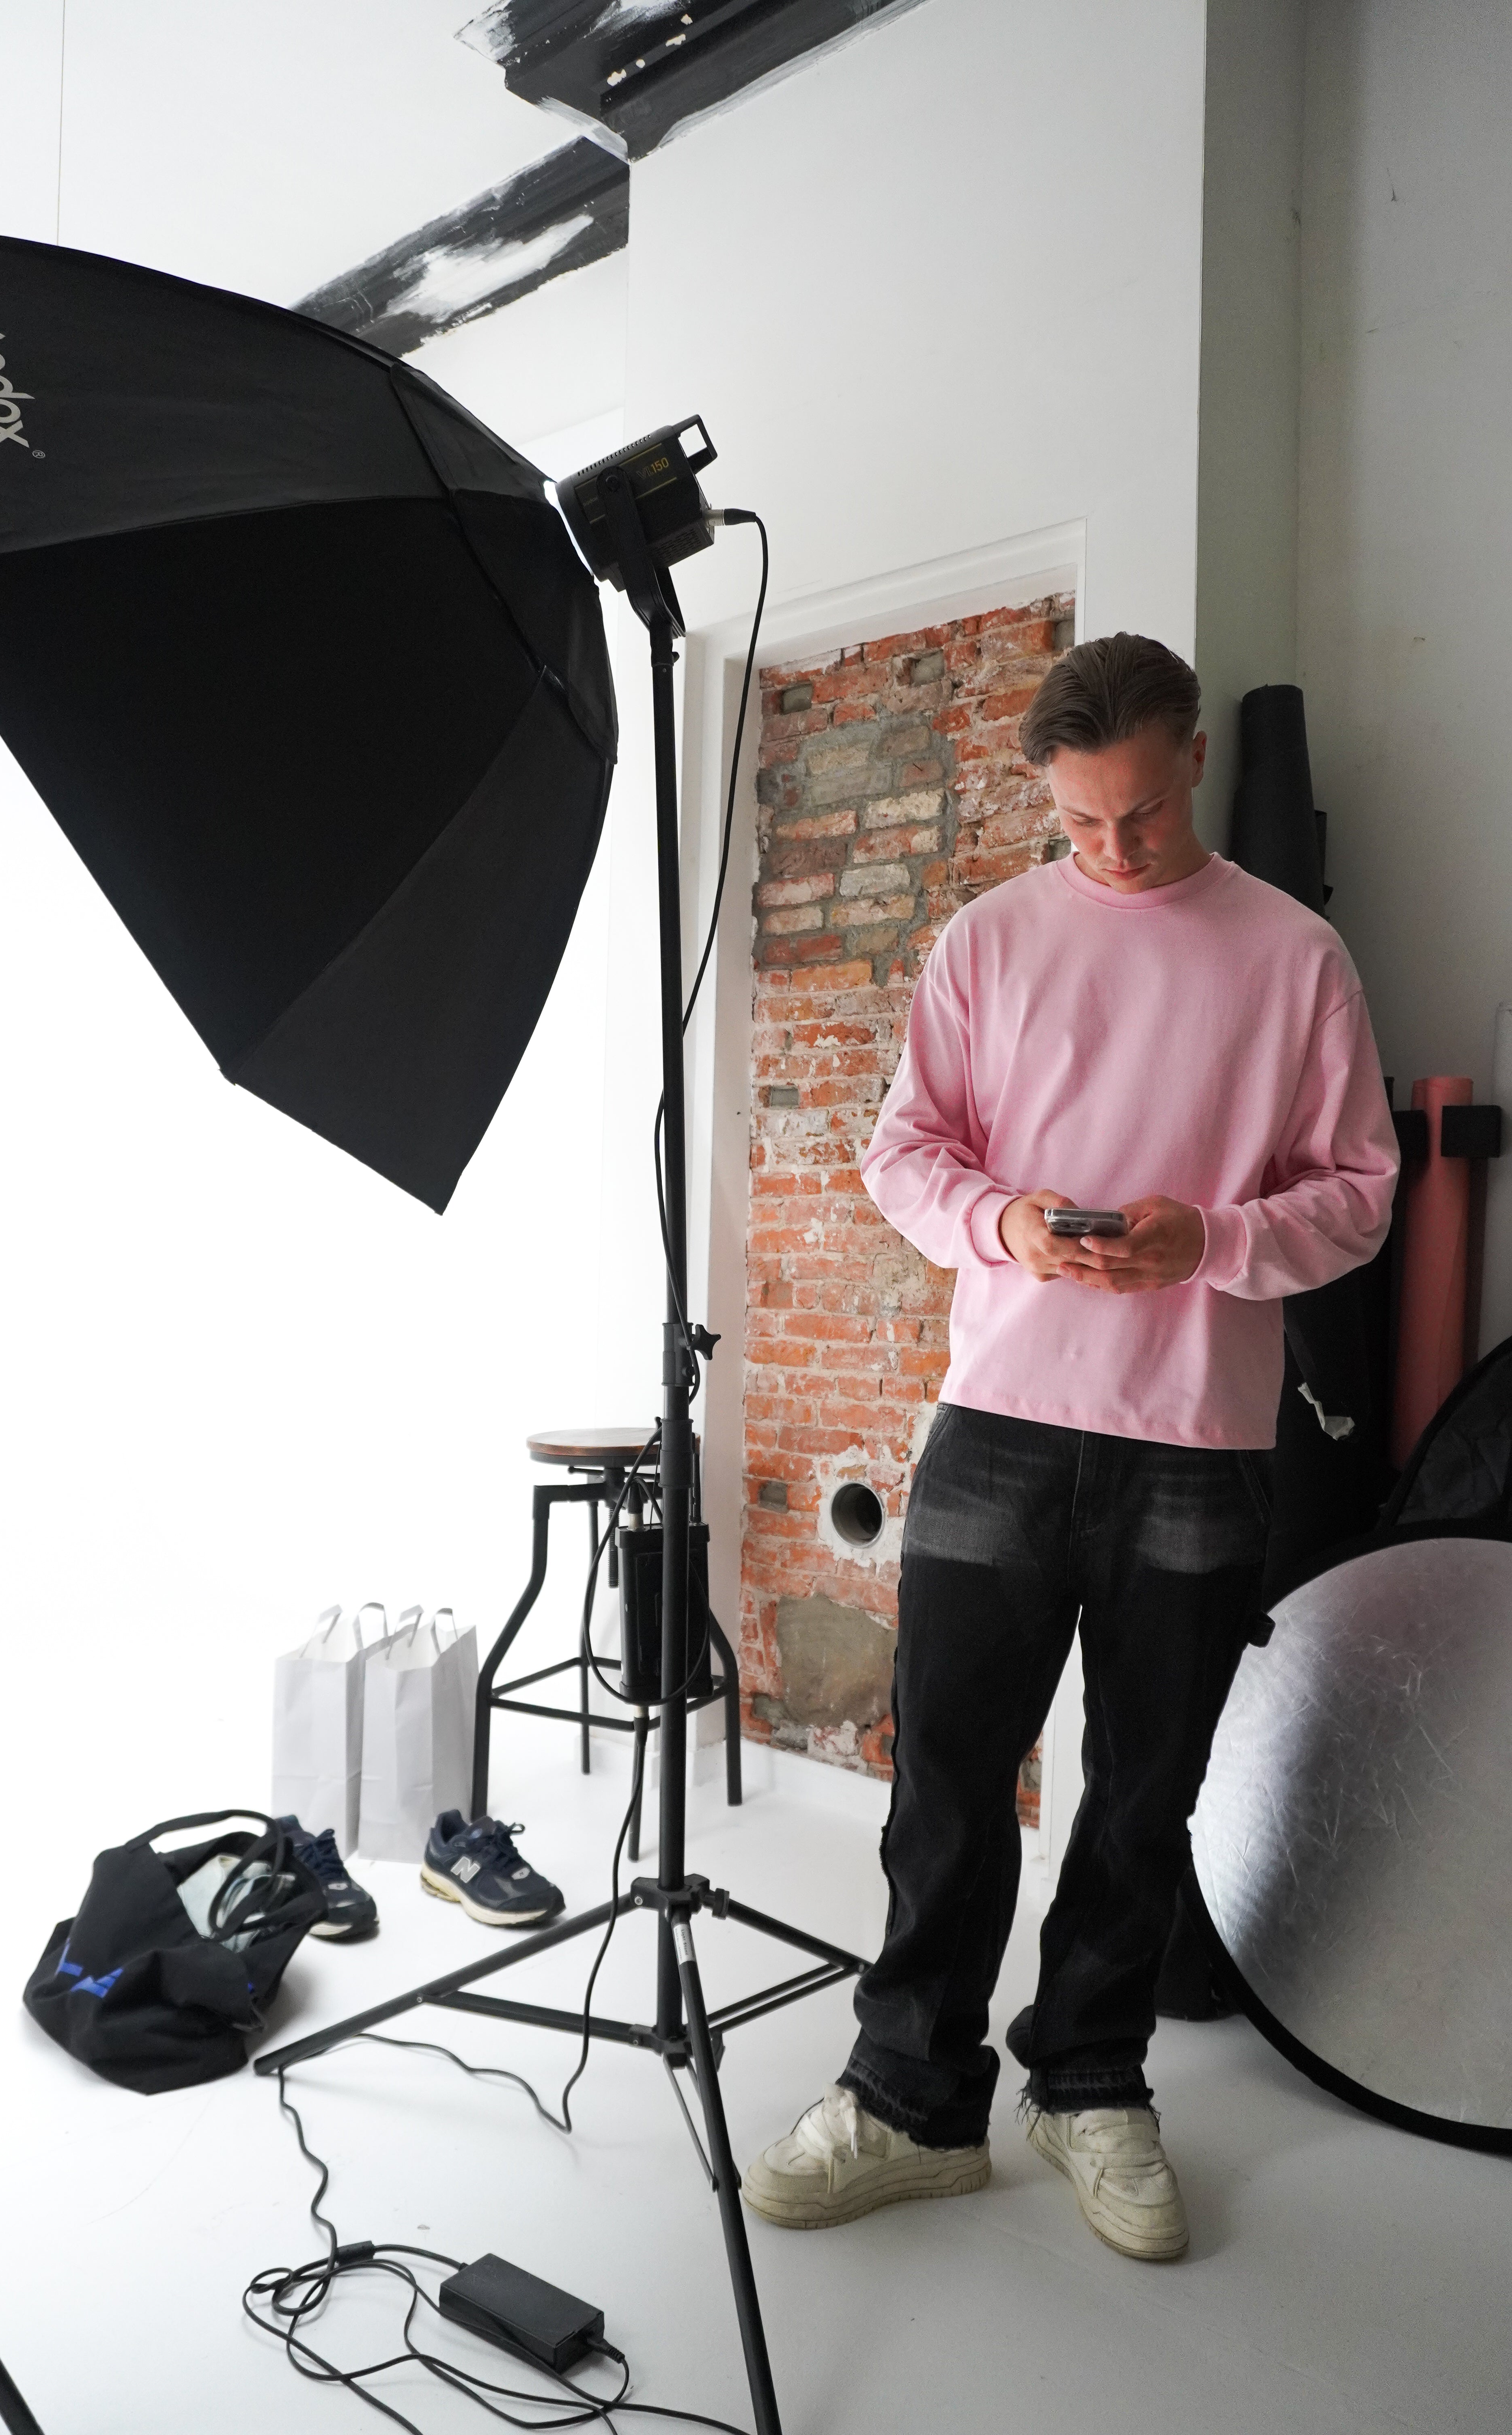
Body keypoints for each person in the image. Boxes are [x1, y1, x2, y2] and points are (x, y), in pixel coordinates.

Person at [742, 633, 1399, 2260]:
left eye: (1143, 818)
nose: (1114, 853)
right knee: (949, 1790)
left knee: (1139, 1797)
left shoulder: (1292, 955)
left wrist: (1212, 1244)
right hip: (996, 1426)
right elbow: (908, 1156)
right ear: (1054, 797)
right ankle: (910, 2104)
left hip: (1196, 1435)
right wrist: (1005, 1220)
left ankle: (1091, 2085)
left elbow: (1362, 1193)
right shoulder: (985, 940)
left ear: (1187, 761)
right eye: (1083, 825)